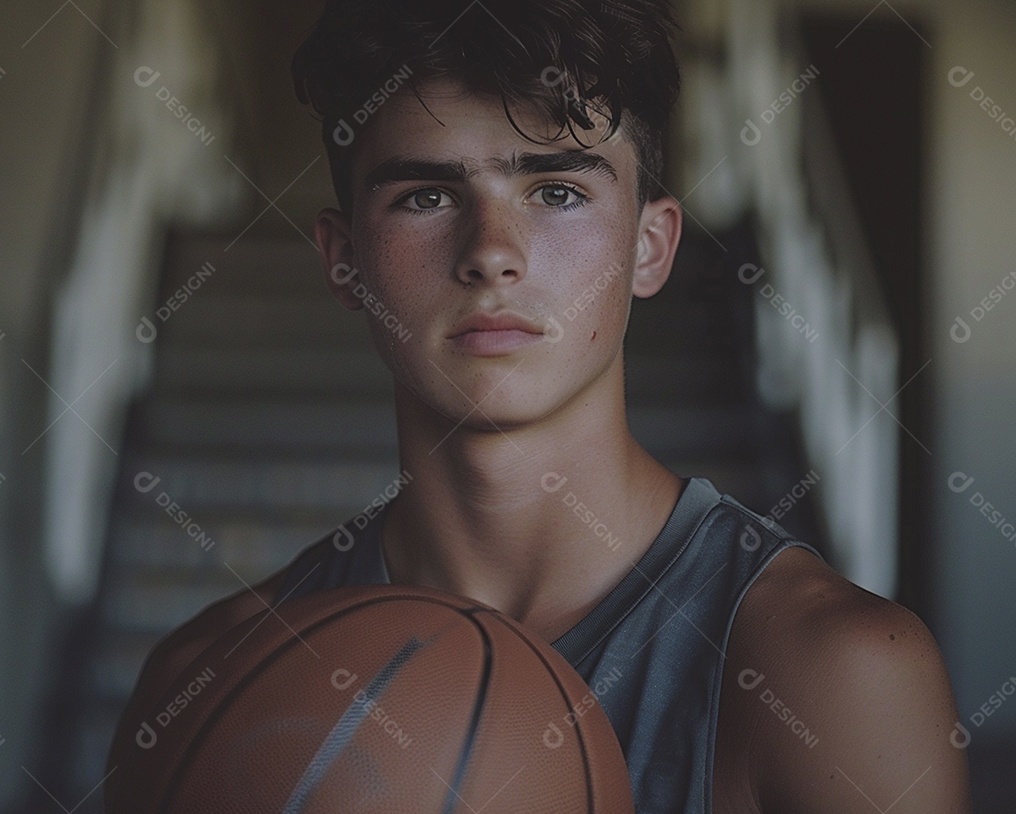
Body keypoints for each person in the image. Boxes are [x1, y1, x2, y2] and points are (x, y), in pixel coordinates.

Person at [108, 1, 971, 811]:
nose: (492, 254)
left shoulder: (834, 674)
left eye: (556, 191)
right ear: (343, 262)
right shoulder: (210, 676)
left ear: (649, 246)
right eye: (427, 195)